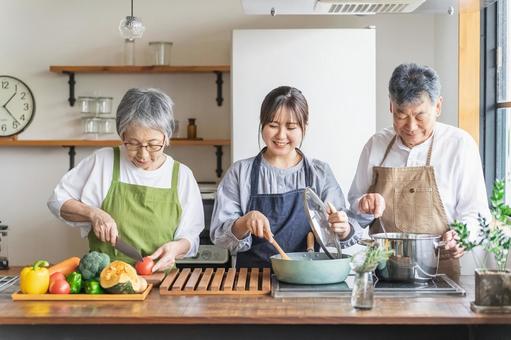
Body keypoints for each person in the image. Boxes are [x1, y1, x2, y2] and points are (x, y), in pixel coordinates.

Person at [348, 63, 491, 279]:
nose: (411, 126)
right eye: (401, 115)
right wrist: (363, 205)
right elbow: (354, 208)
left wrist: (462, 236)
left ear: (438, 107)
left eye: (420, 116)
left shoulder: (459, 145)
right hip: (384, 273)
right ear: (391, 107)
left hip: (440, 273)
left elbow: (477, 213)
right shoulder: (376, 145)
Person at [48, 88, 204, 272]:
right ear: (122, 136)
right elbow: (57, 201)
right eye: (133, 143)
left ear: (167, 138)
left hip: (159, 281)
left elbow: (190, 238)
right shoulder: (102, 161)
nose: (143, 154)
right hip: (104, 281)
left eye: (154, 145)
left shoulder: (182, 176)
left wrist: (176, 248)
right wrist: (94, 214)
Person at [210, 86, 363, 268]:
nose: (281, 135)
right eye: (273, 126)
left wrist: (342, 228)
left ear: (304, 127)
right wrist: (245, 222)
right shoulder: (240, 172)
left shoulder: (319, 173)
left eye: (291, 127)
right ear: (262, 125)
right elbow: (220, 236)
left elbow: (342, 229)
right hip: (252, 281)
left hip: (306, 279)